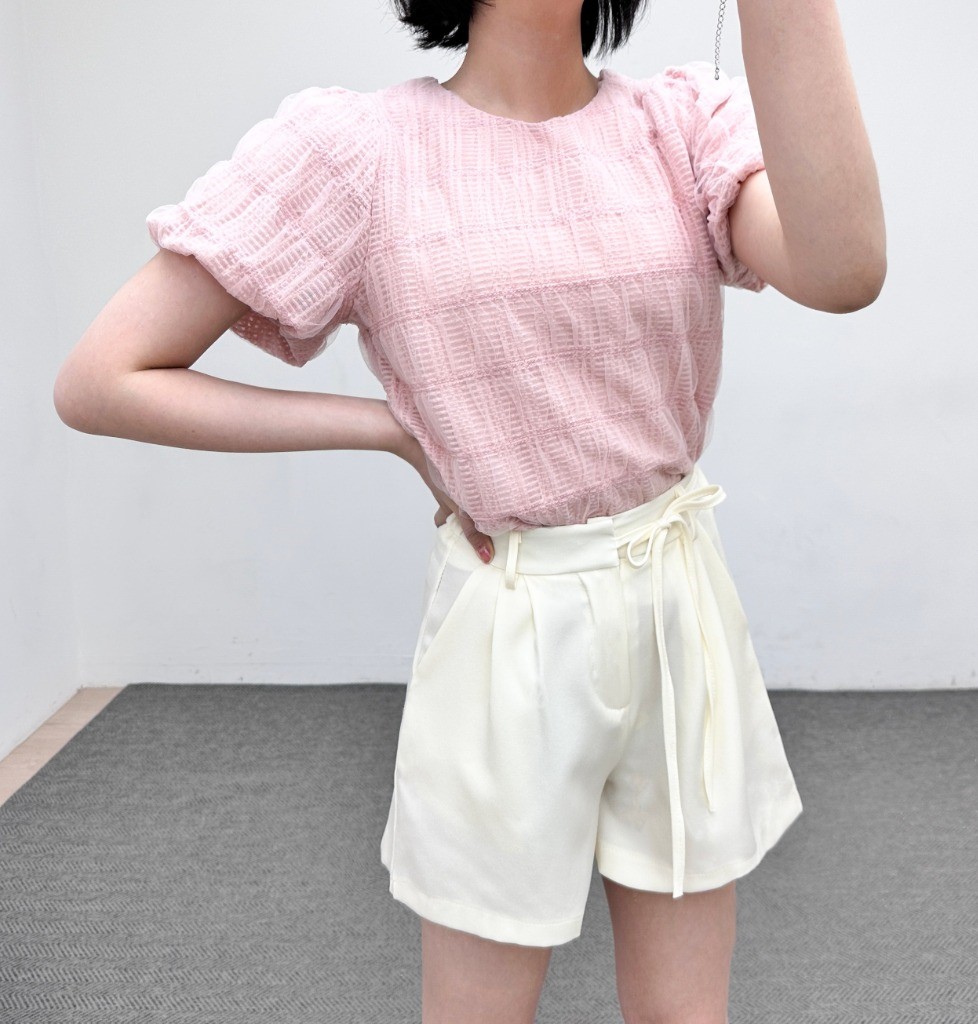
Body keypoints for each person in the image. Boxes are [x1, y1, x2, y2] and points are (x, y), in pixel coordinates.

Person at [52, 0, 886, 1020]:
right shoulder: (364, 151)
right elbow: (102, 379)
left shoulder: (681, 124)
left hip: (678, 597)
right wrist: (389, 429)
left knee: (685, 1012)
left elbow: (845, 271)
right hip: (512, 620)